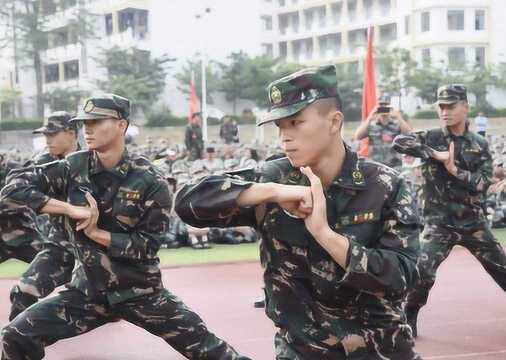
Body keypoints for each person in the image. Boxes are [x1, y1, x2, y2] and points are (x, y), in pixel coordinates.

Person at [175, 65, 422, 359]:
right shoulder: (274, 177)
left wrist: (325, 235)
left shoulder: (384, 185)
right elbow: (188, 203)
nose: (285, 137)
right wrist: (272, 192)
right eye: (280, 126)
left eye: (296, 122)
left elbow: (401, 279)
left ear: (334, 122)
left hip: (380, 350)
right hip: (302, 351)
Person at [0, 94, 248, 360]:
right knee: (15, 336)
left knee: (212, 352)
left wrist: (97, 234)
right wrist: (69, 208)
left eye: (96, 121)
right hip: (87, 293)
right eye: (84, 123)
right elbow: (13, 188)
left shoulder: (150, 180)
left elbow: (147, 247)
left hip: (140, 292)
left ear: (122, 125)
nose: (88, 128)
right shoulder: (73, 166)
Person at [392, 84, 506, 337]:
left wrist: (455, 170)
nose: (445, 111)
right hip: (439, 221)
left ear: (465, 107)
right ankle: (410, 316)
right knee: (422, 270)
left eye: (451, 106)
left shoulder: (479, 144)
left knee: (502, 268)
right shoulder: (432, 136)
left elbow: (485, 182)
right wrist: (434, 154)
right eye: (441, 106)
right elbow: (399, 142)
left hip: (472, 221)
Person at [9, 111, 82, 320]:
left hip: (98, 247)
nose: (47, 140)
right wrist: (65, 208)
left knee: (118, 299)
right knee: (24, 291)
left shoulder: (93, 159)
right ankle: (15, 345)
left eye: (53, 134)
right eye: (45, 135)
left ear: (71, 133)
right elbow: (14, 190)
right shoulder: (42, 162)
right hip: (61, 245)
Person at [354, 96, 412, 169]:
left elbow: (409, 134)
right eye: (381, 106)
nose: (383, 109)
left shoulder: (397, 124)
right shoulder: (371, 125)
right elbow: (357, 136)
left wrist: (398, 116)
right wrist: (370, 116)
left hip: (395, 165)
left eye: (386, 106)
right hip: (376, 165)